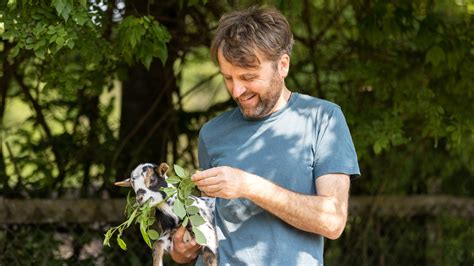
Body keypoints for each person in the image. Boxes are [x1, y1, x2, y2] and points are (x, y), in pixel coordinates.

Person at [170, 5, 360, 265]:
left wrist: (250, 186)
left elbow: (333, 221)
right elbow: (208, 222)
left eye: (248, 77)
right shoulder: (211, 133)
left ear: (282, 65)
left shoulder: (323, 119)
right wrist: (184, 250)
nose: (236, 91)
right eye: (228, 78)